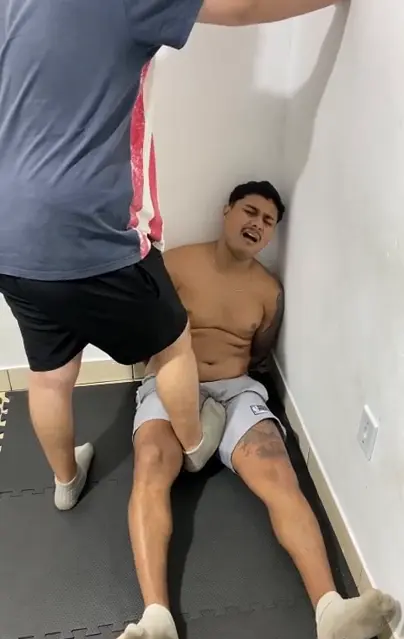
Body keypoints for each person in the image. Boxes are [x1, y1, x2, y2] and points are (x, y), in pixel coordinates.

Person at [0, 0, 341, 510]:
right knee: (174, 339)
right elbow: (244, 6)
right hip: (85, 229)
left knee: (50, 375)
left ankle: (65, 482)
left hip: (9, 235)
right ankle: (197, 445)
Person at [109, 181, 396, 639]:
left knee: (278, 471)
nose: (257, 224)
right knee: (151, 463)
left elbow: (259, 351)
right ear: (226, 211)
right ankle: (157, 616)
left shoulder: (268, 291)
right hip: (174, 383)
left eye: (268, 221)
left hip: (236, 389)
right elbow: (142, 330)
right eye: (250, 211)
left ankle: (330, 612)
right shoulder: (176, 263)